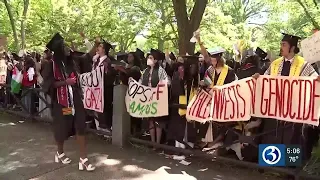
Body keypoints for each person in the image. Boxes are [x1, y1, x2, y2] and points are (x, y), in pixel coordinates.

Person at [253, 33, 320, 163]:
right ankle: (271, 164)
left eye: (284, 45)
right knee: (272, 136)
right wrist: (258, 77)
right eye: (281, 44)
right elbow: (266, 79)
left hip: (293, 112)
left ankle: (289, 169)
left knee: (291, 139)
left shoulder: (304, 65)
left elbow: (313, 81)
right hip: (275, 109)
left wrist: (317, 79)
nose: (281, 47)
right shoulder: (275, 64)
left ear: (292, 48)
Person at [41, 33, 95, 171]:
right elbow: (47, 85)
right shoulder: (51, 65)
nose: (66, 48)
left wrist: (95, 44)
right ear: (58, 49)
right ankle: (59, 152)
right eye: (63, 45)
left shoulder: (72, 61)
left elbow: (87, 57)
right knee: (63, 128)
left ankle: (83, 159)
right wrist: (66, 82)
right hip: (63, 103)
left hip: (76, 100)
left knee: (80, 125)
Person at [195, 34, 238, 150]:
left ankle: (216, 143)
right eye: (212, 60)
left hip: (223, 102)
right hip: (211, 100)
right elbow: (208, 82)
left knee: (220, 124)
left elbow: (232, 86)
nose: (212, 62)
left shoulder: (229, 71)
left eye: (214, 60)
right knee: (207, 120)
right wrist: (203, 84)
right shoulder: (210, 70)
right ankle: (207, 141)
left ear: (219, 59)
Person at [139, 48, 170, 148]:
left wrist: (159, 86)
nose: (149, 59)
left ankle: (158, 143)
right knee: (151, 121)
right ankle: (152, 142)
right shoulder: (145, 71)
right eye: (148, 57)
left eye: (151, 57)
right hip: (147, 99)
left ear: (155, 60)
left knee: (158, 121)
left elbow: (167, 82)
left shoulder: (161, 71)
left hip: (157, 99)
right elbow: (140, 82)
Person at [167, 55, 199, 151]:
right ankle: (179, 148)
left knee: (190, 128)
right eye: (192, 66)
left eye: (195, 66)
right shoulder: (179, 75)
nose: (194, 68)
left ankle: (188, 149)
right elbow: (176, 92)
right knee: (180, 127)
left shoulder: (196, 78)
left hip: (192, 106)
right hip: (180, 106)